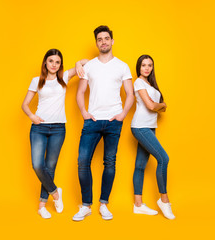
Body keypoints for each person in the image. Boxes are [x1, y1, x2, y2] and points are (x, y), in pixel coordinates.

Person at [72, 25, 134, 221]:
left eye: (106, 38)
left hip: (114, 121)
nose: (103, 42)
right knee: (83, 162)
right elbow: (80, 92)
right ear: (96, 43)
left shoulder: (122, 66)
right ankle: (85, 205)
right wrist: (84, 112)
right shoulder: (89, 66)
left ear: (112, 41)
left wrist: (123, 113)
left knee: (109, 163)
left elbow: (130, 93)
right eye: (100, 39)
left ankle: (104, 204)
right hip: (92, 120)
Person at [22, 49, 87, 219]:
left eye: (57, 62)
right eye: (51, 61)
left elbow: (86, 61)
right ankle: (56, 193)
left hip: (58, 128)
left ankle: (42, 206)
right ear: (45, 62)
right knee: (37, 165)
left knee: (50, 167)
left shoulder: (64, 77)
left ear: (60, 65)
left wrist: (78, 64)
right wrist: (32, 116)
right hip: (39, 128)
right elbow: (25, 104)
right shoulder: (37, 81)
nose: (54, 65)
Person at [130, 54, 175, 219]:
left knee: (140, 165)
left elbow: (156, 106)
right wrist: (161, 105)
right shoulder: (138, 82)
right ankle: (164, 200)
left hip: (150, 126)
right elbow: (150, 106)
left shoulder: (150, 85)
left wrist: (159, 106)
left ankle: (138, 205)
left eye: (149, 65)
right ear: (139, 67)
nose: (147, 68)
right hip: (140, 126)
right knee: (164, 159)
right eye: (143, 65)